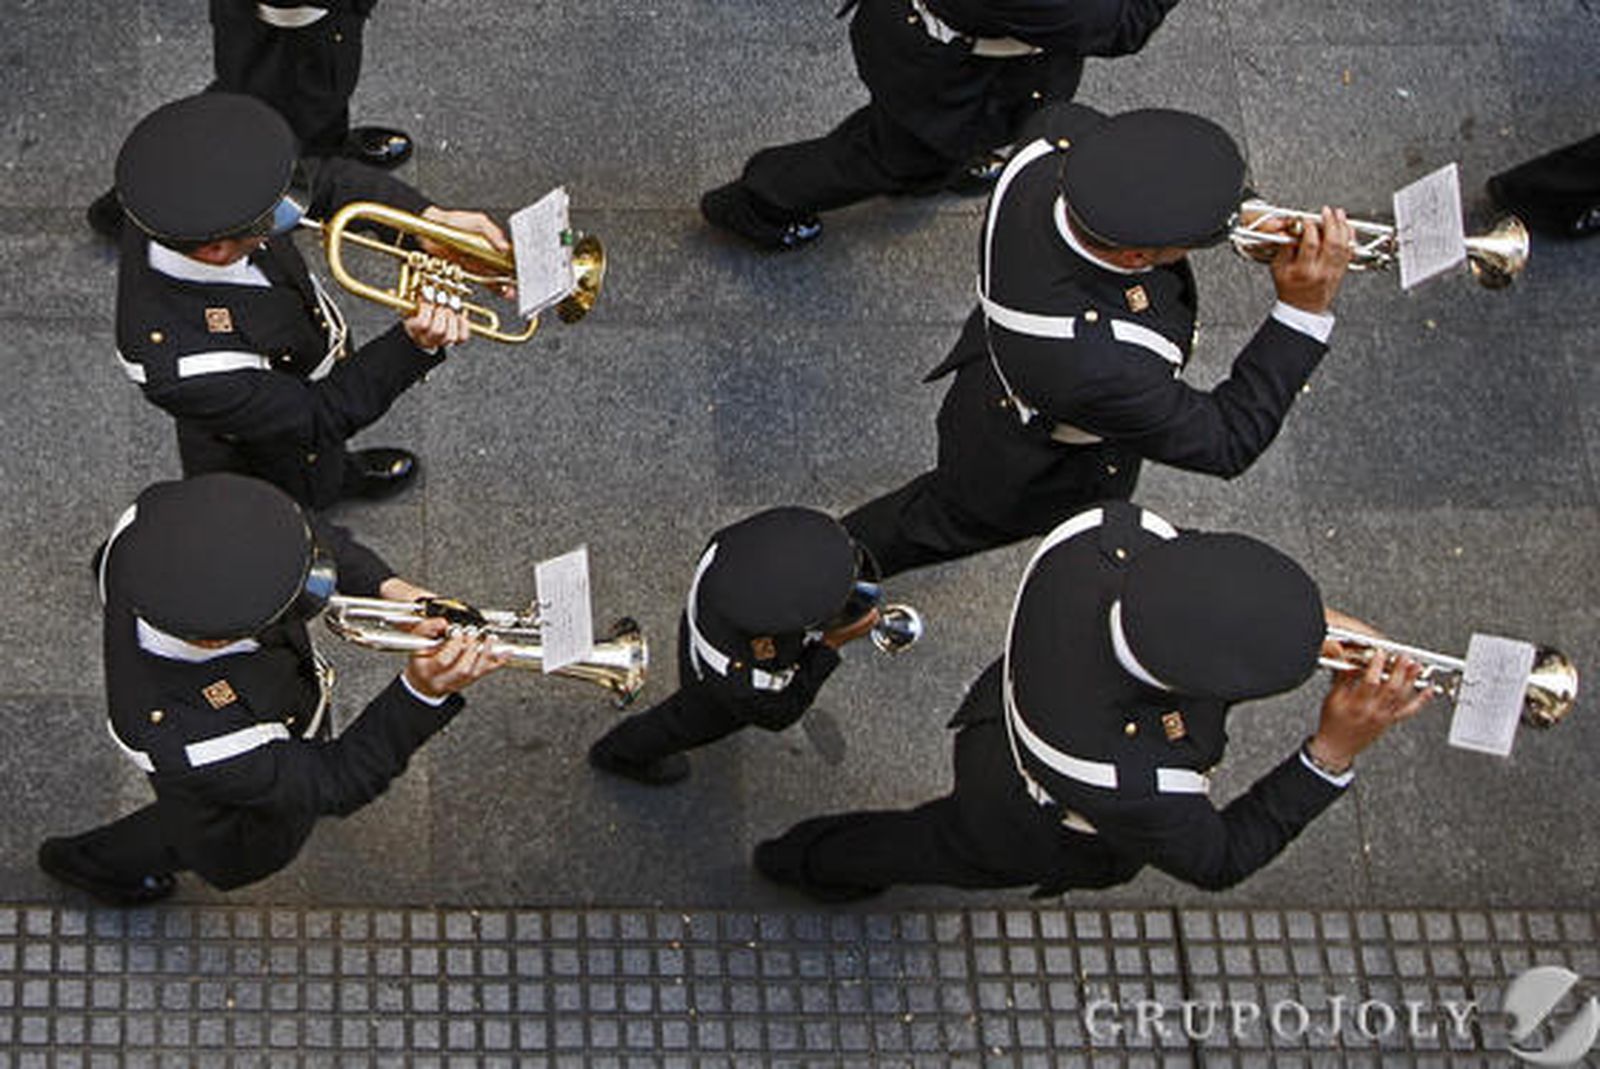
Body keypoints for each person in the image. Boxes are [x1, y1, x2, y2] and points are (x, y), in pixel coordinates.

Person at [754, 501, 1432, 901]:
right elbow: (1218, 860)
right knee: (938, 846)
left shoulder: (1109, 540)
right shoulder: (1129, 774)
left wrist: (1305, 629)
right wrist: (1331, 753)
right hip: (1031, 817)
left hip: (1009, 713)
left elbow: (1197, 576)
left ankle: (813, 857)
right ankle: (808, 861)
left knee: (936, 833)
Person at [842, 105, 1355, 578]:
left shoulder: (1054, 146)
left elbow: (1135, 162)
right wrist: (1300, 311)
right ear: (1134, 258)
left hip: (1007, 365)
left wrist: (1240, 212)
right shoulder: (1101, 365)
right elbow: (1225, 440)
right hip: (1033, 462)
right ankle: (828, 574)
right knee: (944, 520)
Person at [36, 473, 507, 905]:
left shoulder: (152, 527)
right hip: (231, 807)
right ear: (214, 639)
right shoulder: (190, 733)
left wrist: (392, 589)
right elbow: (336, 782)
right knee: (190, 839)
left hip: (264, 729)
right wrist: (421, 692)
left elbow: (291, 530)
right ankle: (86, 865)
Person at [111, 92, 508, 509]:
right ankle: (336, 484)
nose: (287, 217)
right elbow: (318, 415)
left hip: (301, 351)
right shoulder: (179, 365)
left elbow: (327, 183)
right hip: (266, 441)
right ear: (215, 251)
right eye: (271, 220)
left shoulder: (178, 204)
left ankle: (341, 473)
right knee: (307, 482)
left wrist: (429, 223)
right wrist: (413, 345)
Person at [698, 0, 1183, 250]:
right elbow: (1122, 25)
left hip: (953, 49)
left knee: (932, 145)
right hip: (952, 79)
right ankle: (762, 201)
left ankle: (956, 161)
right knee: (890, 157)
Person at [587, 507, 883, 786]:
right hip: (714, 687)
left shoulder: (733, 553)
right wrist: (829, 646)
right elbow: (779, 712)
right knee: (682, 724)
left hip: (706, 620)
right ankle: (619, 755)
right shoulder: (743, 680)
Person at [88, 0, 411, 238]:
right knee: (252, 110)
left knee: (318, 91)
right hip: (288, 18)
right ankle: (146, 199)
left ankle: (324, 155)